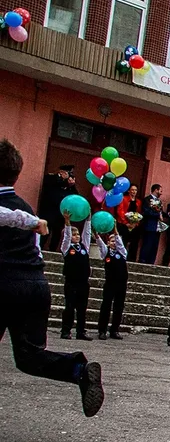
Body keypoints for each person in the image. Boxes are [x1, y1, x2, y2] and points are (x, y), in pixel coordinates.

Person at [0, 141, 103, 416]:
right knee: (30, 356)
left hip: (4, 283)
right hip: (34, 285)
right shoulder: (26, 208)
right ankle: (79, 369)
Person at [59, 215, 93, 341]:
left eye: (77, 234)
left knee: (82, 308)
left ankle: (81, 332)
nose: (77, 236)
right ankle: (66, 331)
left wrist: (88, 220)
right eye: (74, 234)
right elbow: (67, 237)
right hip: (71, 282)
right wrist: (67, 222)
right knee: (69, 307)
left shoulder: (84, 247)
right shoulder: (67, 248)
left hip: (83, 282)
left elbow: (87, 234)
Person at [95, 230, 128, 340]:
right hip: (110, 283)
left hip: (121, 284)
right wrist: (96, 235)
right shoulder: (106, 252)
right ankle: (102, 330)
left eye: (116, 241)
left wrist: (116, 232)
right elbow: (100, 244)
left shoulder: (122, 253)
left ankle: (115, 330)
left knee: (118, 307)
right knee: (106, 306)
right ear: (108, 243)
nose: (114, 243)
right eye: (112, 241)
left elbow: (120, 244)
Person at [37, 163, 72, 248]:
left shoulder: (68, 184)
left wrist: (71, 185)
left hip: (60, 213)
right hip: (48, 211)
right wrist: (60, 178)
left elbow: (74, 195)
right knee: (45, 231)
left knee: (57, 233)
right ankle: (40, 247)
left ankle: (53, 249)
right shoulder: (51, 178)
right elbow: (49, 185)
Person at [138, 185, 163, 264]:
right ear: (156, 190)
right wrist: (157, 215)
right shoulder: (147, 200)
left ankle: (151, 261)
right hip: (149, 225)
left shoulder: (159, 201)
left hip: (157, 227)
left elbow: (160, 212)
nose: (161, 193)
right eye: (160, 191)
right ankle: (143, 260)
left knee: (154, 245)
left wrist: (169, 214)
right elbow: (146, 212)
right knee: (147, 244)